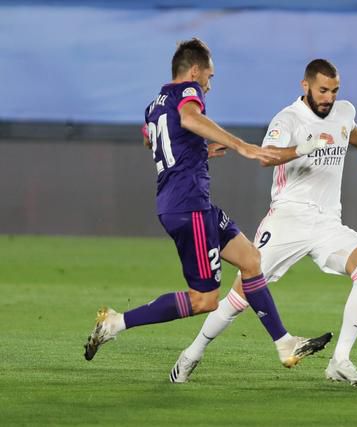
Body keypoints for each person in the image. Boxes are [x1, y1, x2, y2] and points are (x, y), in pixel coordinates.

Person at [83, 38, 332, 375]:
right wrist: (240, 145)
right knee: (205, 300)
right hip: (188, 206)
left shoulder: (154, 104)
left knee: (250, 259)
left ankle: (285, 343)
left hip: (189, 204)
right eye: (209, 78)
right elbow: (187, 117)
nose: (209, 86)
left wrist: (199, 150)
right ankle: (116, 322)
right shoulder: (187, 92)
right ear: (195, 71)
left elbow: (152, 138)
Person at [170, 59, 357, 386]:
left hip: (328, 223)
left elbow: (349, 129)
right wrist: (307, 146)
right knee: (240, 297)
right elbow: (268, 155)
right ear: (306, 86)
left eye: (334, 90)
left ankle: (340, 361)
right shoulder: (288, 120)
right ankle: (191, 354)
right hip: (288, 219)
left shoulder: (344, 110)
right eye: (323, 90)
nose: (329, 97)